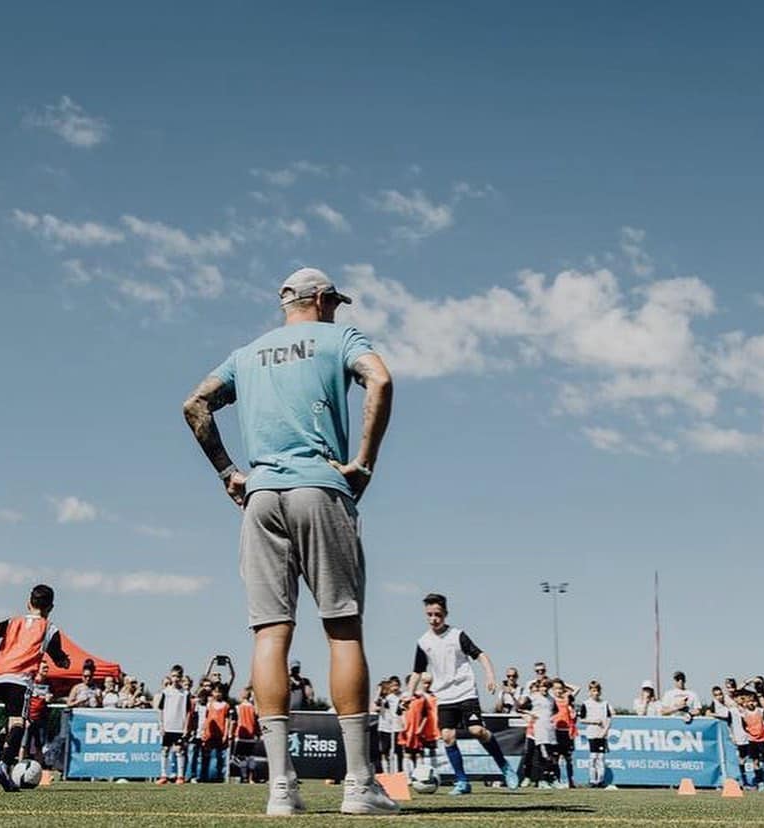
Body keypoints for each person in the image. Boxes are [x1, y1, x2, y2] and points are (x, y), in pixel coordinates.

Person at [183, 266, 395, 816]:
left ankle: (281, 788)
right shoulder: (339, 337)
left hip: (261, 497)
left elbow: (194, 404)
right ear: (322, 300)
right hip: (320, 488)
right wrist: (364, 465)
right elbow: (381, 380)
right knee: (343, 629)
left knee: (269, 635)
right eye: (334, 304)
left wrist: (230, 471)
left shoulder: (247, 353)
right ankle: (358, 785)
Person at [406, 593, 519, 795]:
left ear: (445, 614)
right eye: (430, 614)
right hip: (445, 696)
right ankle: (462, 782)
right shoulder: (423, 642)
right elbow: (417, 671)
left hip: (466, 691)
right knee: (447, 736)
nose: (434, 619)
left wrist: (490, 676)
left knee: (477, 731)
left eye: (437, 614)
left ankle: (504, 767)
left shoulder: (458, 635)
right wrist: (409, 694)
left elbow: (481, 655)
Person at [0, 584, 70, 791]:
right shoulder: (49, 629)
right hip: (20, 678)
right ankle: (4, 766)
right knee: (19, 723)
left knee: (8, 725)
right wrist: (64, 662)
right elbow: (59, 659)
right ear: (51, 607)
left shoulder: (13, 621)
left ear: (29, 603)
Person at [156, 665, 191, 785]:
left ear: (181, 677)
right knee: (165, 750)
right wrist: (161, 725)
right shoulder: (166, 692)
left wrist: (186, 727)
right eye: (173, 676)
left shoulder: (185, 693)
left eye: (178, 676)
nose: (175, 678)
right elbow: (160, 709)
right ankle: (163, 775)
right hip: (168, 726)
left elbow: (188, 712)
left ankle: (180, 776)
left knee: (179, 750)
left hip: (179, 726)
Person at [578, 680, 614, 788]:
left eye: (597, 690)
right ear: (589, 691)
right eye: (593, 691)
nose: (596, 693)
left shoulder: (604, 704)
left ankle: (600, 780)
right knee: (593, 757)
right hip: (592, 734)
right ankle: (593, 780)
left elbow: (609, 719)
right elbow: (581, 720)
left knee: (601, 758)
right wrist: (594, 721)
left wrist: (605, 731)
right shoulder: (586, 704)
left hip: (602, 734)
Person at [550, 677, 580, 788]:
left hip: (567, 732)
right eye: (555, 688)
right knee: (556, 758)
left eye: (560, 688)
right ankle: (557, 780)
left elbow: (577, 688)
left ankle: (571, 781)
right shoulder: (551, 699)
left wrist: (564, 683)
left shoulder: (567, 698)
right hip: (555, 731)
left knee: (568, 758)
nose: (558, 691)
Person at [201, 683, 233, 782]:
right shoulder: (209, 705)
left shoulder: (226, 705)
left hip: (221, 734)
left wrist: (226, 733)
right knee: (206, 756)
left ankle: (219, 777)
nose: (217, 694)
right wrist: (203, 731)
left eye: (219, 692)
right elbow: (205, 719)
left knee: (220, 757)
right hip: (209, 734)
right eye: (215, 691)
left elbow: (227, 720)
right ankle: (204, 776)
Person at [24, 661, 53, 765]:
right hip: (29, 717)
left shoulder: (48, 683)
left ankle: (38, 768)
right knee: (24, 744)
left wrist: (50, 698)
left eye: (47, 668)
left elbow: (51, 696)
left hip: (41, 718)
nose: (46, 670)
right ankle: (19, 766)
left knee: (39, 744)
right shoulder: (31, 681)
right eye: (44, 668)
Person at [374, 677, 404, 774]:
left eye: (396, 685)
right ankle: (386, 772)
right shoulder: (385, 698)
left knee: (397, 751)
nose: (395, 688)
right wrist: (380, 689)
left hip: (397, 727)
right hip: (385, 727)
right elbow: (376, 702)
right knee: (384, 751)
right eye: (392, 686)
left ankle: (398, 771)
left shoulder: (402, 696)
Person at [233, 686, 260, 784]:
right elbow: (256, 722)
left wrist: (232, 734)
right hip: (251, 737)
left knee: (241, 758)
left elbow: (234, 722)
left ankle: (244, 777)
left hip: (241, 736)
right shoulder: (253, 708)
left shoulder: (238, 708)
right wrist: (258, 733)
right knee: (251, 757)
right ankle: (251, 778)